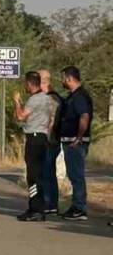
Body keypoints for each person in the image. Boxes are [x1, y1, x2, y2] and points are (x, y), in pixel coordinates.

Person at [12, 71, 53, 221]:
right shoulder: (47, 98)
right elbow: (50, 119)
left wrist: (17, 102)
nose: (25, 86)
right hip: (42, 137)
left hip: (34, 138)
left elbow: (20, 116)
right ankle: (38, 207)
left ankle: (36, 209)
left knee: (33, 175)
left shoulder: (34, 99)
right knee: (39, 174)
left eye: (25, 84)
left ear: (29, 83)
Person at [56, 66, 93, 221]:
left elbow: (84, 116)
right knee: (73, 175)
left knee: (77, 176)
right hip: (70, 141)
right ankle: (76, 206)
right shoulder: (73, 96)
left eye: (63, 78)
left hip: (76, 143)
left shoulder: (79, 97)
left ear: (70, 78)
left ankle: (79, 208)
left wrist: (79, 137)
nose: (62, 81)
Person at [39, 69, 62, 215]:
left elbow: (51, 122)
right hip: (51, 140)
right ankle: (50, 203)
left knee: (47, 173)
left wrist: (44, 139)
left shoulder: (52, 99)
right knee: (49, 173)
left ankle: (49, 203)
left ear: (43, 81)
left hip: (50, 141)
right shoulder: (50, 97)